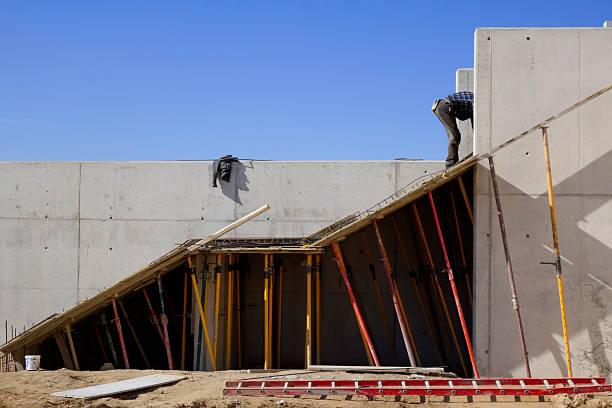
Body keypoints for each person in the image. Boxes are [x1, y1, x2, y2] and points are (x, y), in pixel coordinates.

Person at [432, 91, 473, 168]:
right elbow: (475, 123)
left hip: (444, 106)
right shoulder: (476, 102)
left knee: (454, 136)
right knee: (455, 136)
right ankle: (450, 162)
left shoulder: (469, 102)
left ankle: (452, 161)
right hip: (444, 107)